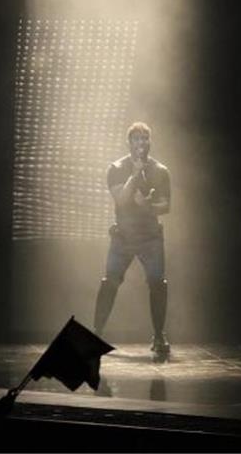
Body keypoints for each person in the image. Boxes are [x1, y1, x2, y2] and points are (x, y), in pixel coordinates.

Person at [93, 121, 172, 361]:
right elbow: (121, 200)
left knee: (158, 283)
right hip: (124, 237)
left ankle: (158, 336)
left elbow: (166, 206)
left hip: (150, 238)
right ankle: (96, 333)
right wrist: (135, 175)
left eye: (145, 139)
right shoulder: (116, 168)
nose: (141, 143)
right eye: (137, 139)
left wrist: (147, 205)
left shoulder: (160, 171)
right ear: (129, 143)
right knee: (110, 282)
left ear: (149, 142)